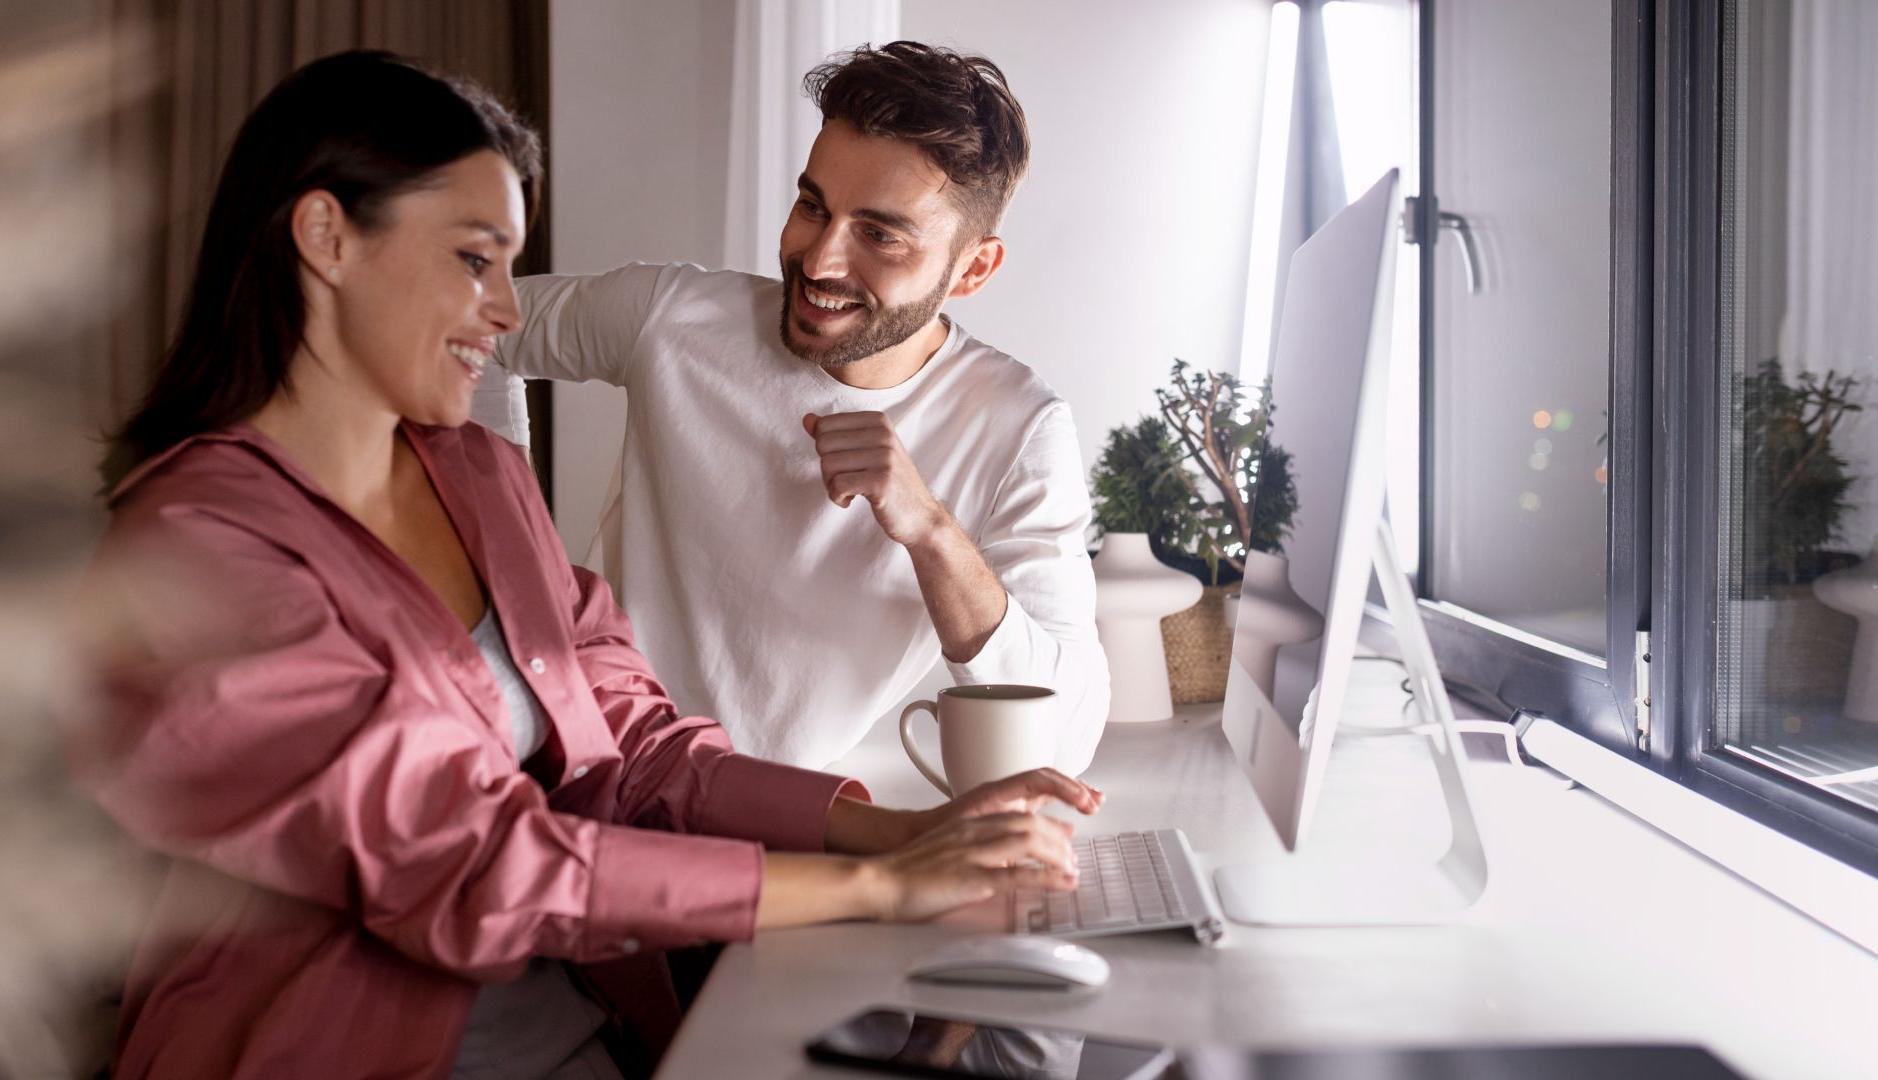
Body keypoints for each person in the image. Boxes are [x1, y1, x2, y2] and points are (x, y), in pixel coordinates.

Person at [80, 51, 1098, 1079]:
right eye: (476, 261)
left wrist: (904, 835)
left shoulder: (477, 478)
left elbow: (640, 747)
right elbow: (472, 863)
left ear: (971, 268)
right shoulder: (196, 543)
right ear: (326, 238)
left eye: (880, 232)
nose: (509, 312)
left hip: (595, 1017)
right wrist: (880, 888)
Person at [472, 41, 1110, 772]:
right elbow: (467, 326)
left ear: (973, 268)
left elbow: (1067, 739)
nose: (819, 259)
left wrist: (931, 533)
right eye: (813, 205)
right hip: (589, 772)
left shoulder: (1018, 428)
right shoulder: (670, 317)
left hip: (791, 822)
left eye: (878, 234)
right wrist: (505, 566)